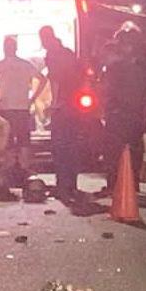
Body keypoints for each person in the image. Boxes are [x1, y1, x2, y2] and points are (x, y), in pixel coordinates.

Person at [97, 22, 146, 197]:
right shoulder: (141, 65)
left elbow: (106, 90)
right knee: (133, 150)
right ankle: (131, 184)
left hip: (120, 114)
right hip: (133, 114)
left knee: (114, 152)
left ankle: (116, 185)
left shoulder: (116, 67)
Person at [34, 25, 83, 199]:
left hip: (63, 107)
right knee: (71, 146)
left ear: (45, 38)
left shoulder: (53, 55)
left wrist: (54, 104)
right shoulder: (68, 53)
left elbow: (55, 81)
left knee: (60, 147)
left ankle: (63, 185)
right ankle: (71, 184)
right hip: (74, 105)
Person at [0, 36, 43, 170]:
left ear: (4, 48)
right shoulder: (25, 64)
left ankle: (9, 170)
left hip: (5, 108)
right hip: (22, 107)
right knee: (24, 141)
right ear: (16, 48)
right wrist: (32, 98)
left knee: (7, 141)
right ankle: (24, 169)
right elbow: (43, 79)